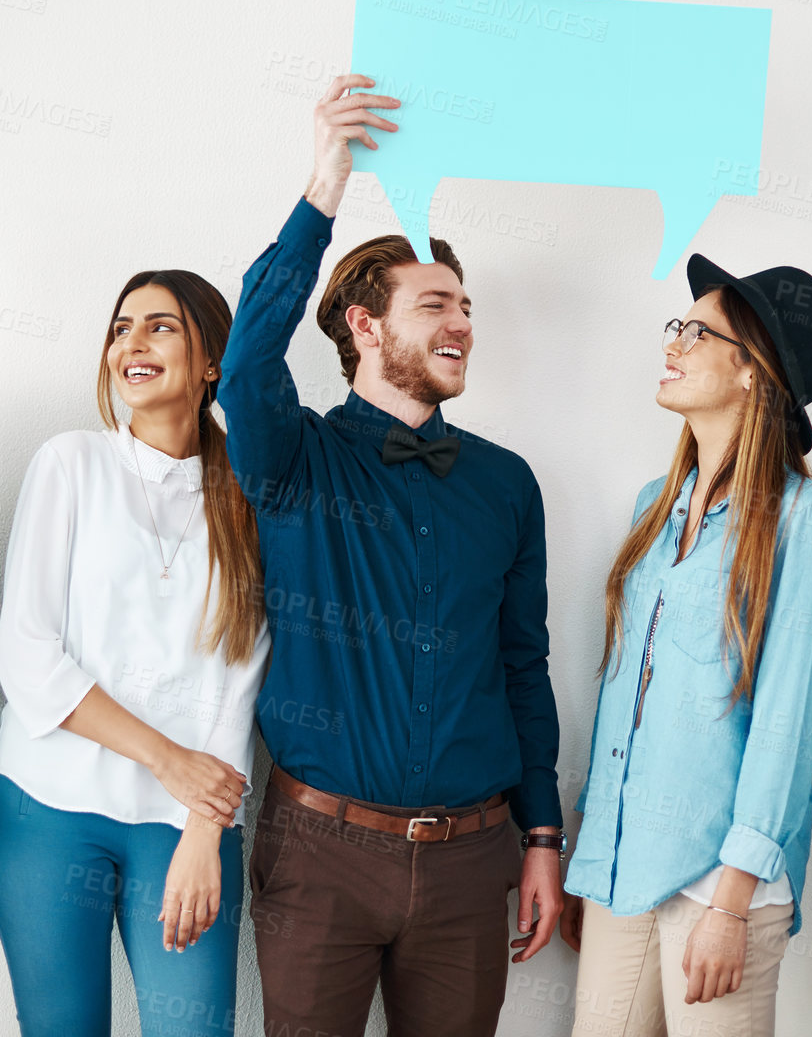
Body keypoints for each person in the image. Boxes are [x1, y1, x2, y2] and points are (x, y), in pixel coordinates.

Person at [217, 73, 564, 1037]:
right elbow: (245, 362)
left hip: (470, 859)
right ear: (365, 328)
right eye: (433, 305)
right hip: (317, 849)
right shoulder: (292, 458)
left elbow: (522, 668)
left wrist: (542, 836)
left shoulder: (506, 484)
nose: (460, 323)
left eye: (465, 306)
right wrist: (326, 180)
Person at [562, 255, 812, 1036]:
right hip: (620, 867)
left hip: (720, 885)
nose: (674, 343)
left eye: (697, 331)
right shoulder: (652, 507)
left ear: (752, 372)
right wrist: (592, 857)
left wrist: (730, 904)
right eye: (677, 327)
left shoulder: (801, 520)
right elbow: (623, 695)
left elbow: (787, 722)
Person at [0, 269, 269, 1037]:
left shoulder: (248, 493)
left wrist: (205, 828)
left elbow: (243, 679)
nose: (131, 344)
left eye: (160, 327)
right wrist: (169, 759)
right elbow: (29, 659)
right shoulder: (70, 463)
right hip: (44, 810)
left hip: (184, 824)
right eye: (120, 328)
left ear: (212, 362)